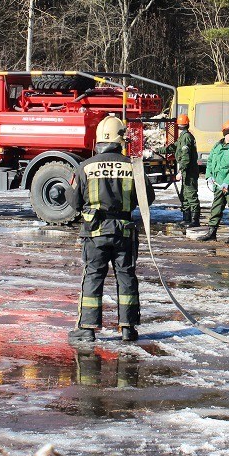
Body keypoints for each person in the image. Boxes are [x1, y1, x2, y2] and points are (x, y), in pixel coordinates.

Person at [67, 115, 141, 345]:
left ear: (98, 140)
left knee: (93, 277)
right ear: (121, 140)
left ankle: (87, 329)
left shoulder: (85, 167)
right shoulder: (132, 165)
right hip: (125, 232)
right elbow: (147, 198)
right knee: (126, 277)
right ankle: (128, 328)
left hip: (95, 232)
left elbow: (72, 200)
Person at [197, 119, 229, 244]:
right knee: (216, 209)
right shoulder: (217, 146)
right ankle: (212, 233)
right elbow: (210, 161)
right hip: (218, 185)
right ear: (224, 134)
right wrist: (209, 175)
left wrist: (228, 182)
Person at [165, 113, 200, 227]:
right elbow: (175, 146)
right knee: (184, 195)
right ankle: (187, 218)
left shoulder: (186, 137)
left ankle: (194, 221)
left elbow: (186, 158)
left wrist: (180, 171)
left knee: (190, 195)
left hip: (189, 172)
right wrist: (160, 150)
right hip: (187, 172)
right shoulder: (184, 136)